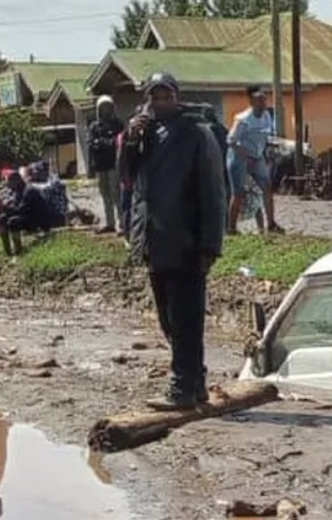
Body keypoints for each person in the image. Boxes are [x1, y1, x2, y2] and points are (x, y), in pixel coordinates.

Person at [120, 72, 226, 410]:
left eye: (166, 96)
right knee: (167, 318)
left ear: (177, 98)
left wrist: (211, 244)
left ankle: (182, 387)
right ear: (147, 99)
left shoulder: (197, 133)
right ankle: (195, 383)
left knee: (186, 318)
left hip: (187, 241)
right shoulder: (145, 133)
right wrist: (131, 140)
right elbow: (127, 178)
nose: (160, 102)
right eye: (155, 97)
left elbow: (214, 192)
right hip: (153, 240)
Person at [226, 85, 282, 235]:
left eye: (264, 100)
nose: (263, 104)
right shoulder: (243, 119)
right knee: (238, 193)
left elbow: (265, 137)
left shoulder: (267, 116)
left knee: (267, 188)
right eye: (260, 101)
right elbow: (231, 141)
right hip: (239, 158)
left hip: (257, 157)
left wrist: (269, 150)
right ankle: (231, 228)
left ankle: (271, 224)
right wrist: (245, 156)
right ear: (252, 102)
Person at [0, 170, 52, 256]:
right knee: (2, 219)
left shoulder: (29, 191)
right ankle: (8, 252)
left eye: (10, 183)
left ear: (16, 181)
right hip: (27, 215)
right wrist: (3, 210)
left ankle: (18, 251)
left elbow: (21, 210)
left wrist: (5, 208)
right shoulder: (18, 191)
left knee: (13, 221)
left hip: (38, 220)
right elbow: (16, 208)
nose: (8, 186)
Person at [88, 95, 124, 234]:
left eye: (108, 106)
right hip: (99, 164)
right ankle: (109, 222)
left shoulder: (118, 124)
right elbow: (91, 144)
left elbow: (117, 142)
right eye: (103, 107)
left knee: (116, 193)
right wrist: (91, 167)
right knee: (105, 194)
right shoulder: (94, 126)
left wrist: (102, 142)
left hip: (113, 163)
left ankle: (122, 223)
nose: (105, 110)